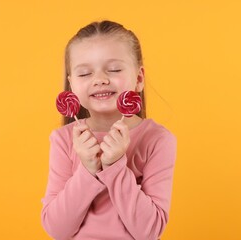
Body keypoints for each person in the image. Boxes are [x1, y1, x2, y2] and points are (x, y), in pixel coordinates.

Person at [41, 20, 177, 240]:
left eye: (114, 69)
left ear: (139, 78)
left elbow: (149, 231)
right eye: (85, 74)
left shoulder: (158, 139)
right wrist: (87, 169)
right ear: (72, 85)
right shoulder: (63, 139)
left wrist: (114, 166)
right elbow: (57, 229)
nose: (100, 80)